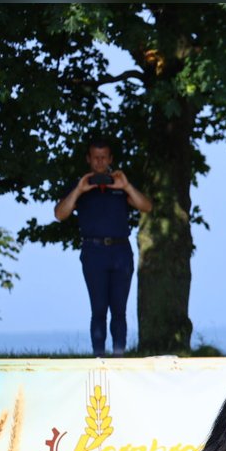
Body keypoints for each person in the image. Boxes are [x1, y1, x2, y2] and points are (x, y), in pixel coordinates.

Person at [54, 138, 152, 357]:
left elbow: (146, 206)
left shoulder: (120, 184)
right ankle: (98, 357)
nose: (99, 162)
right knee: (98, 310)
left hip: (120, 252)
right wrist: (79, 189)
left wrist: (125, 186)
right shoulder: (80, 186)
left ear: (110, 159)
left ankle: (119, 357)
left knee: (119, 311)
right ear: (88, 159)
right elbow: (60, 214)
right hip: (93, 251)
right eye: (95, 157)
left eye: (104, 157)